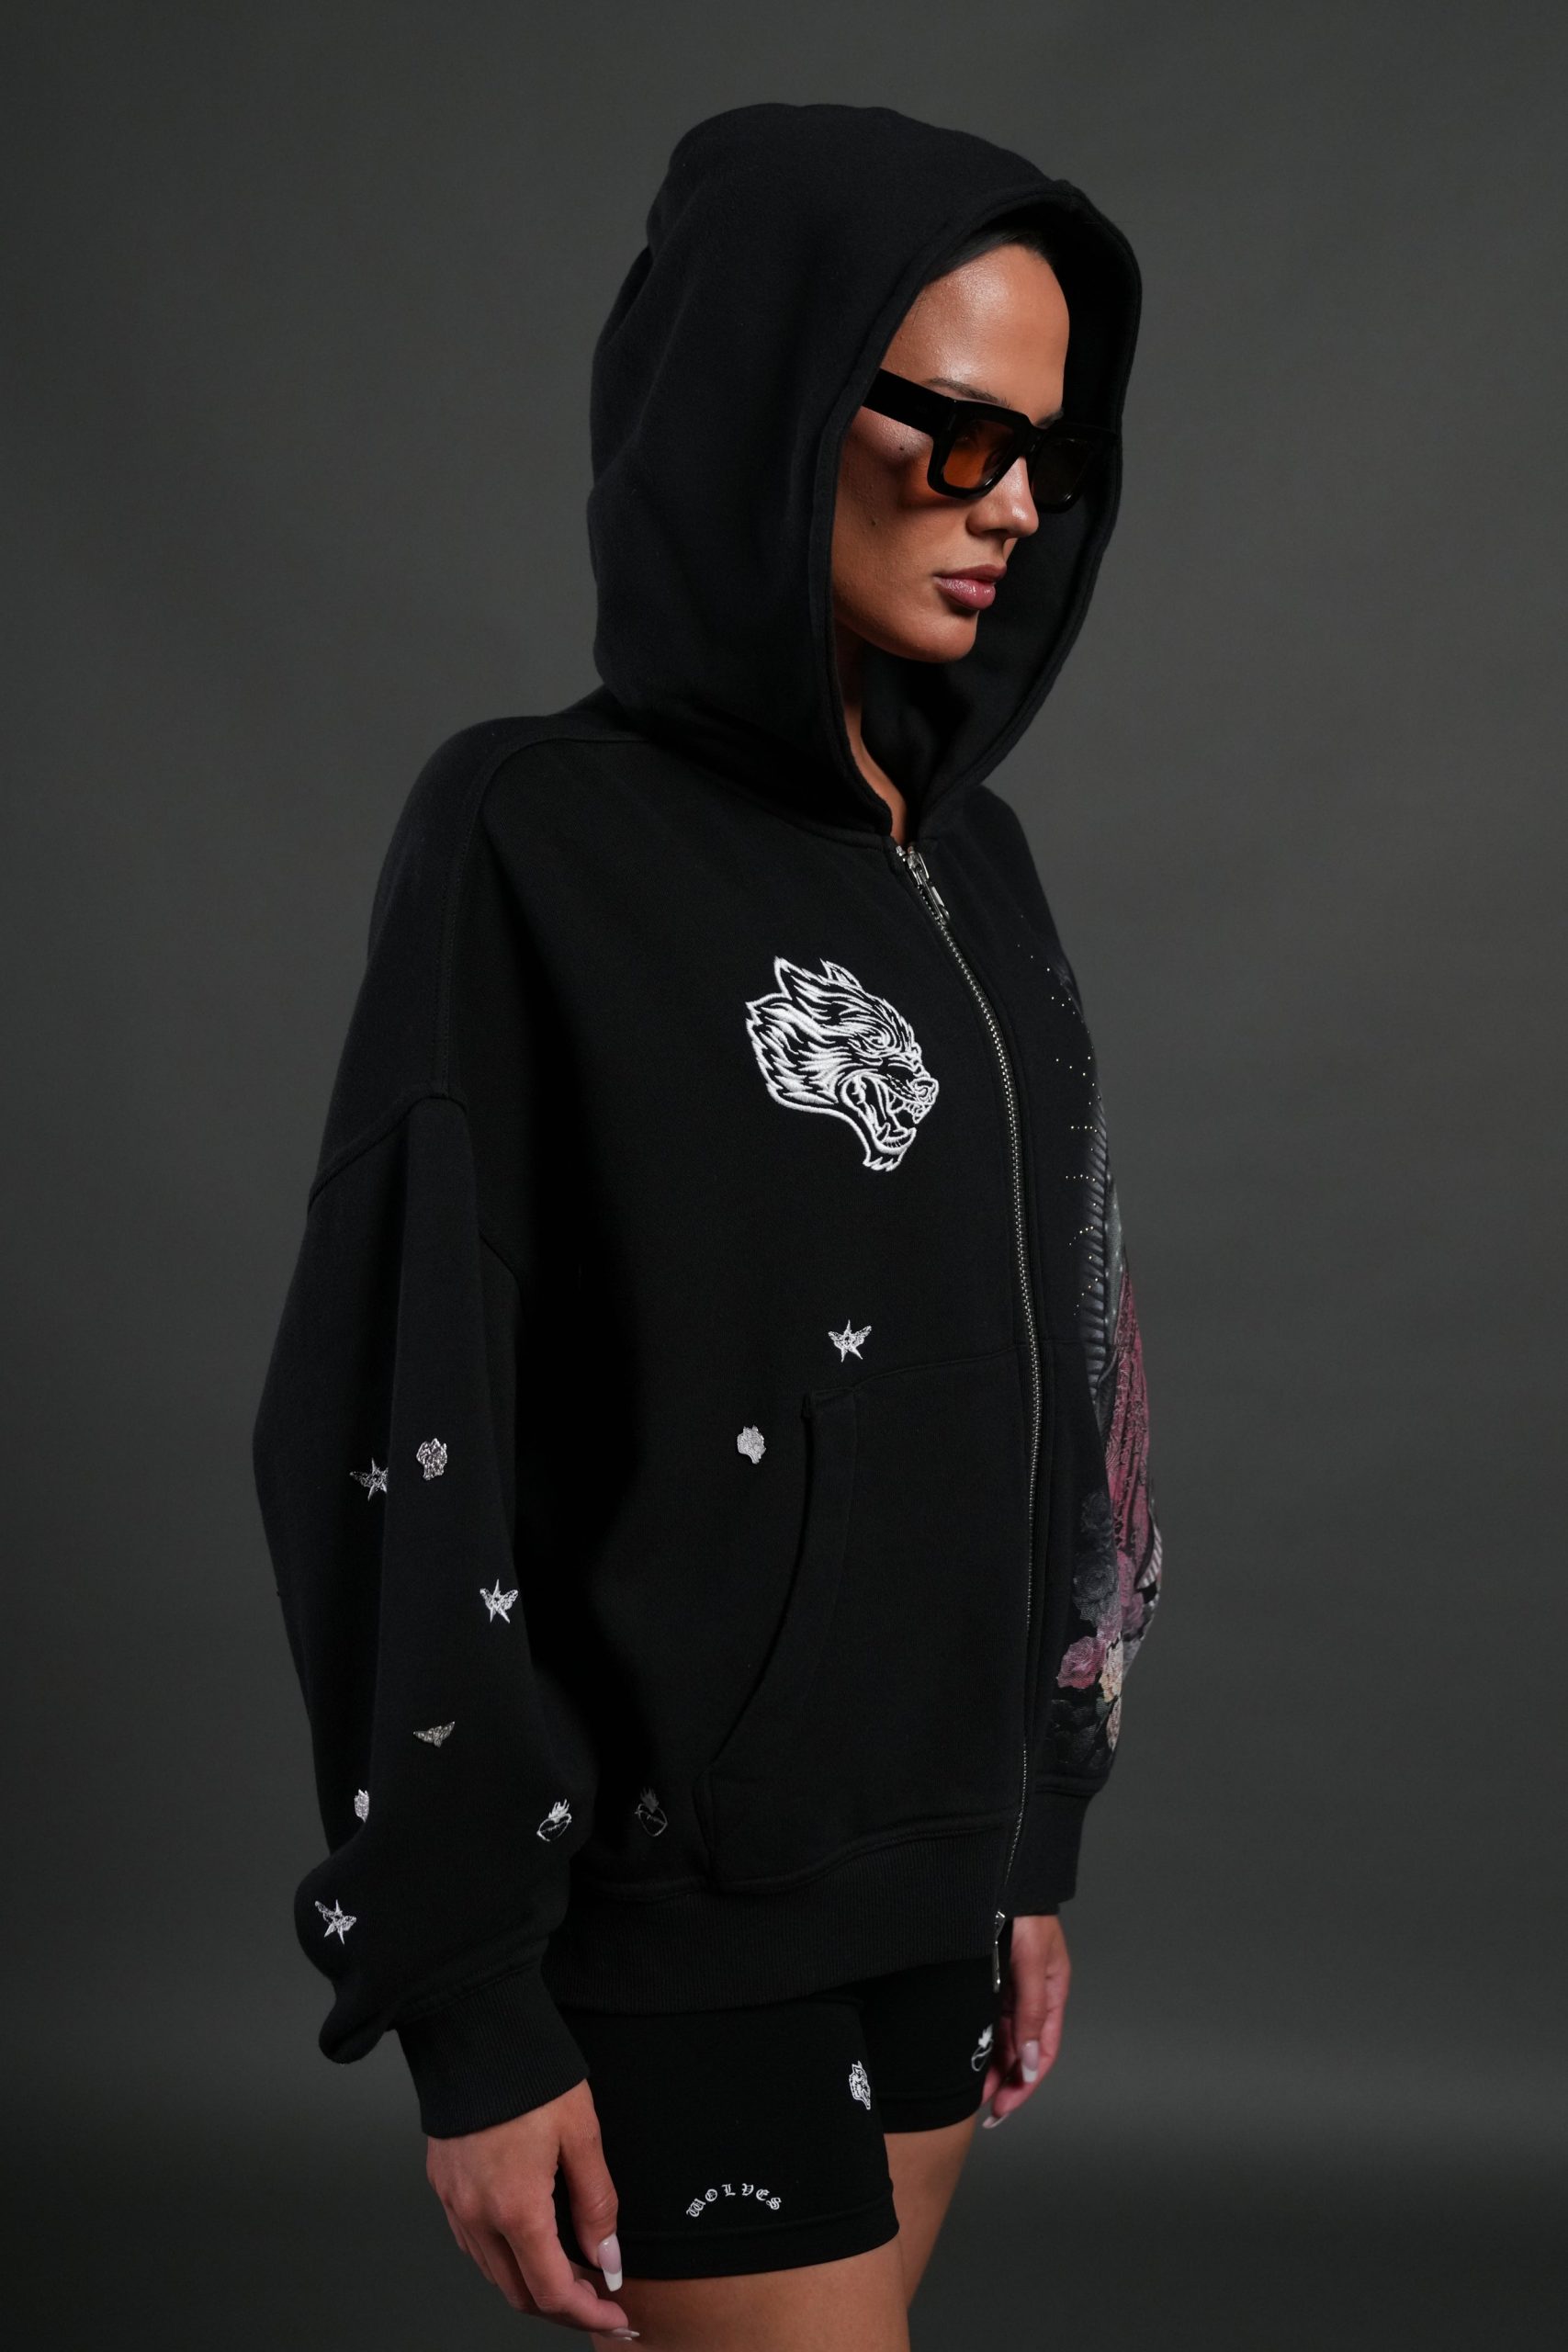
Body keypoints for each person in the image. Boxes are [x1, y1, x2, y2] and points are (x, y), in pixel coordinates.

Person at [252, 98, 1165, 2350]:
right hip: (676, 1909)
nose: (1014, 504)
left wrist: (1029, 1831)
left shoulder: (977, 868)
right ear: (768, 392)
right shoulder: (533, 832)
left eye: (1045, 452)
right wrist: (469, 2000)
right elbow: (398, 1411)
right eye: (959, 432)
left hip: (938, 1886)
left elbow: (1066, 1335)